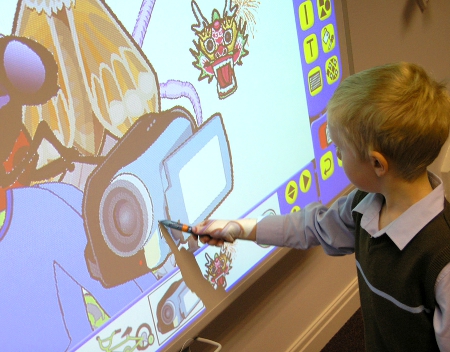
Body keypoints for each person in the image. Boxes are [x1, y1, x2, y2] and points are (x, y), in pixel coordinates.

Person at [192, 62, 450, 351]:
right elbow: (310, 226)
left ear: (377, 163)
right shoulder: (365, 205)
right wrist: (240, 229)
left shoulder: (441, 260)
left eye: (341, 148)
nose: (336, 154)